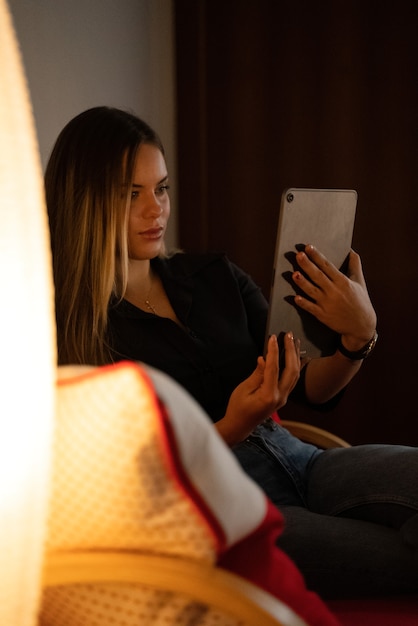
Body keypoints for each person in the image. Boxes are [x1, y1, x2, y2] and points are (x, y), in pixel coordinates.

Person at [45, 106, 418, 599]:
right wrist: (231, 427)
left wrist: (357, 339)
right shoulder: (70, 333)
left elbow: (306, 384)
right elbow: (126, 490)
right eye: (129, 194)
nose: (155, 208)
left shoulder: (213, 276)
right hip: (224, 507)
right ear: (83, 201)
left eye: (161, 188)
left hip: (302, 460)